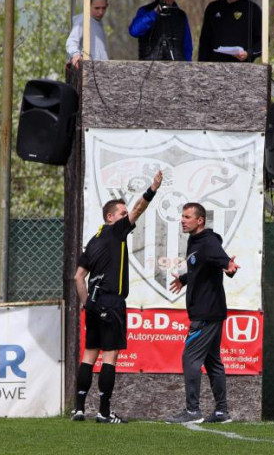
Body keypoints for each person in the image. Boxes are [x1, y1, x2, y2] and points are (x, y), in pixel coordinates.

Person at [71, 170, 164, 424]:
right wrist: (152, 189)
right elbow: (138, 208)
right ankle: (103, 412)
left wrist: (86, 303)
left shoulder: (93, 240)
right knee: (110, 356)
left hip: (93, 302)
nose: (126, 217)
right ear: (110, 217)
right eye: (121, 214)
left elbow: (78, 277)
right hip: (112, 302)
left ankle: (78, 409)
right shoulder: (115, 232)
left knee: (89, 354)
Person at [166, 202, 240, 424]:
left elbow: (222, 260)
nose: (183, 220)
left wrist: (230, 266)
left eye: (187, 217)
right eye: (182, 216)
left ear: (200, 220)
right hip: (212, 312)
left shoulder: (208, 241)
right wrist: (184, 279)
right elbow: (201, 268)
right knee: (213, 362)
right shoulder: (195, 241)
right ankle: (221, 412)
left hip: (206, 314)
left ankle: (192, 411)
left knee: (190, 358)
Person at [198, 0, 262, 63]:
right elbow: (204, 42)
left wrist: (249, 53)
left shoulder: (253, 10)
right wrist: (202, 66)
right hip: (215, 67)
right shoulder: (212, 8)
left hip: (243, 69)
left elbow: (263, 41)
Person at [128, 0, 192, 61]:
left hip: (176, 70)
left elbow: (187, 47)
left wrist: (187, 68)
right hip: (149, 69)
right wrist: (154, 13)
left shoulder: (181, 16)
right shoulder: (146, 11)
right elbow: (134, 31)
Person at [66, 0, 110, 69]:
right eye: (97, 8)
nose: (100, 12)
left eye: (103, 8)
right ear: (87, 5)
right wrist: (76, 55)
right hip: (88, 73)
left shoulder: (98, 23)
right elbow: (71, 41)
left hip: (100, 72)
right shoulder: (83, 19)